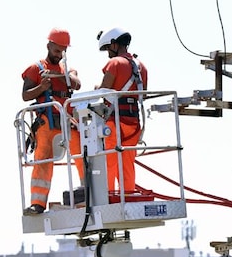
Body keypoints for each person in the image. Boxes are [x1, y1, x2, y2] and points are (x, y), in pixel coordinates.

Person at [74, 27, 148, 195]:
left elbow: (104, 90)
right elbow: (142, 93)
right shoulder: (141, 66)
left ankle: (108, 195)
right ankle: (128, 194)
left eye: (108, 48)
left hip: (115, 122)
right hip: (134, 122)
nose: (108, 53)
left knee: (110, 160)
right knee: (128, 161)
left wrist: (96, 88)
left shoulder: (114, 63)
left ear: (114, 44)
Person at [21, 28, 82, 215]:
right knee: (43, 160)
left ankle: (89, 195)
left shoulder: (68, 71)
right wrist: (42, 86)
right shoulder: (35, 69)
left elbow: (77, 83)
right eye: (57, 51)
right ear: (49, 46)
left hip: (68, 121)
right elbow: (25, 95)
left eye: (63, 51)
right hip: (46, 122)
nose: (60, 55)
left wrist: (62, 77)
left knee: (83, 155)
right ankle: (37, 203)